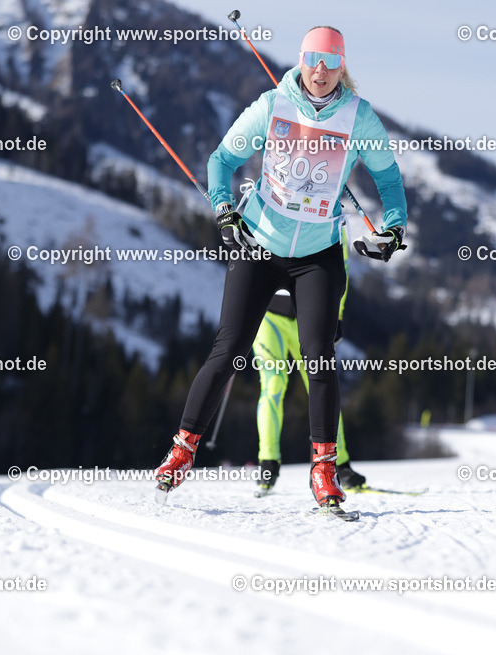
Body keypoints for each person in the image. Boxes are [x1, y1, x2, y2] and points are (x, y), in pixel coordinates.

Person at [155, 25, 407, 509]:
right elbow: (221, 160)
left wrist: (393, 227)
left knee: (319, 356)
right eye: (313, 58)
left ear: (342, 67)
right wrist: (225, 212)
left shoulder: (359, 117)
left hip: (317, 254)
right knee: (228, 348)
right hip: (260, 245)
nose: (320, 70)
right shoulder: (272, 105)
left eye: (331, 61)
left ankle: (323, 471)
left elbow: (389, 180)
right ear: (301, 58)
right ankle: (182, 451)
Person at [253, 224, 367, 495]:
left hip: (307, 316)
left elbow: (343, 270)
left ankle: (339, 464)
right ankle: (267, 462)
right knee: (273, 386)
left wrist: (337, 315)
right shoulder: (274, 203)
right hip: (269, 318)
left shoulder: (331, 217)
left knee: (323, 386)